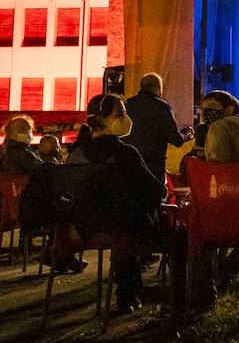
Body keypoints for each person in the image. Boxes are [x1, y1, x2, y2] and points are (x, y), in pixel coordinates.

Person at [66, 94, 166, 312]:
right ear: (102, 120)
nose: (127, 118)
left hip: (83, 228)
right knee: (175, 234)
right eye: (121, 114)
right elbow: (156, 190)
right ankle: (176, 297)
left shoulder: (76, 154)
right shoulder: (124, 153)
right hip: (121, 228)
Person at [191, 90, 239, 307]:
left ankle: (201, 300)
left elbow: (217, 170)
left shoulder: (219, 128)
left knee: (195, 232)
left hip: (226, 215)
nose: (206, 113)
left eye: (211, 108)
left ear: (229, 109)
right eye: (204, 109)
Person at [125, 72, 183, 183]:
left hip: (130, 163)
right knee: (154, 196)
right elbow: (176, 140)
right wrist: (186, 136)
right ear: (157, 89)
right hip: (153, 165)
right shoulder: (162, 107)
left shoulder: (128, 104)